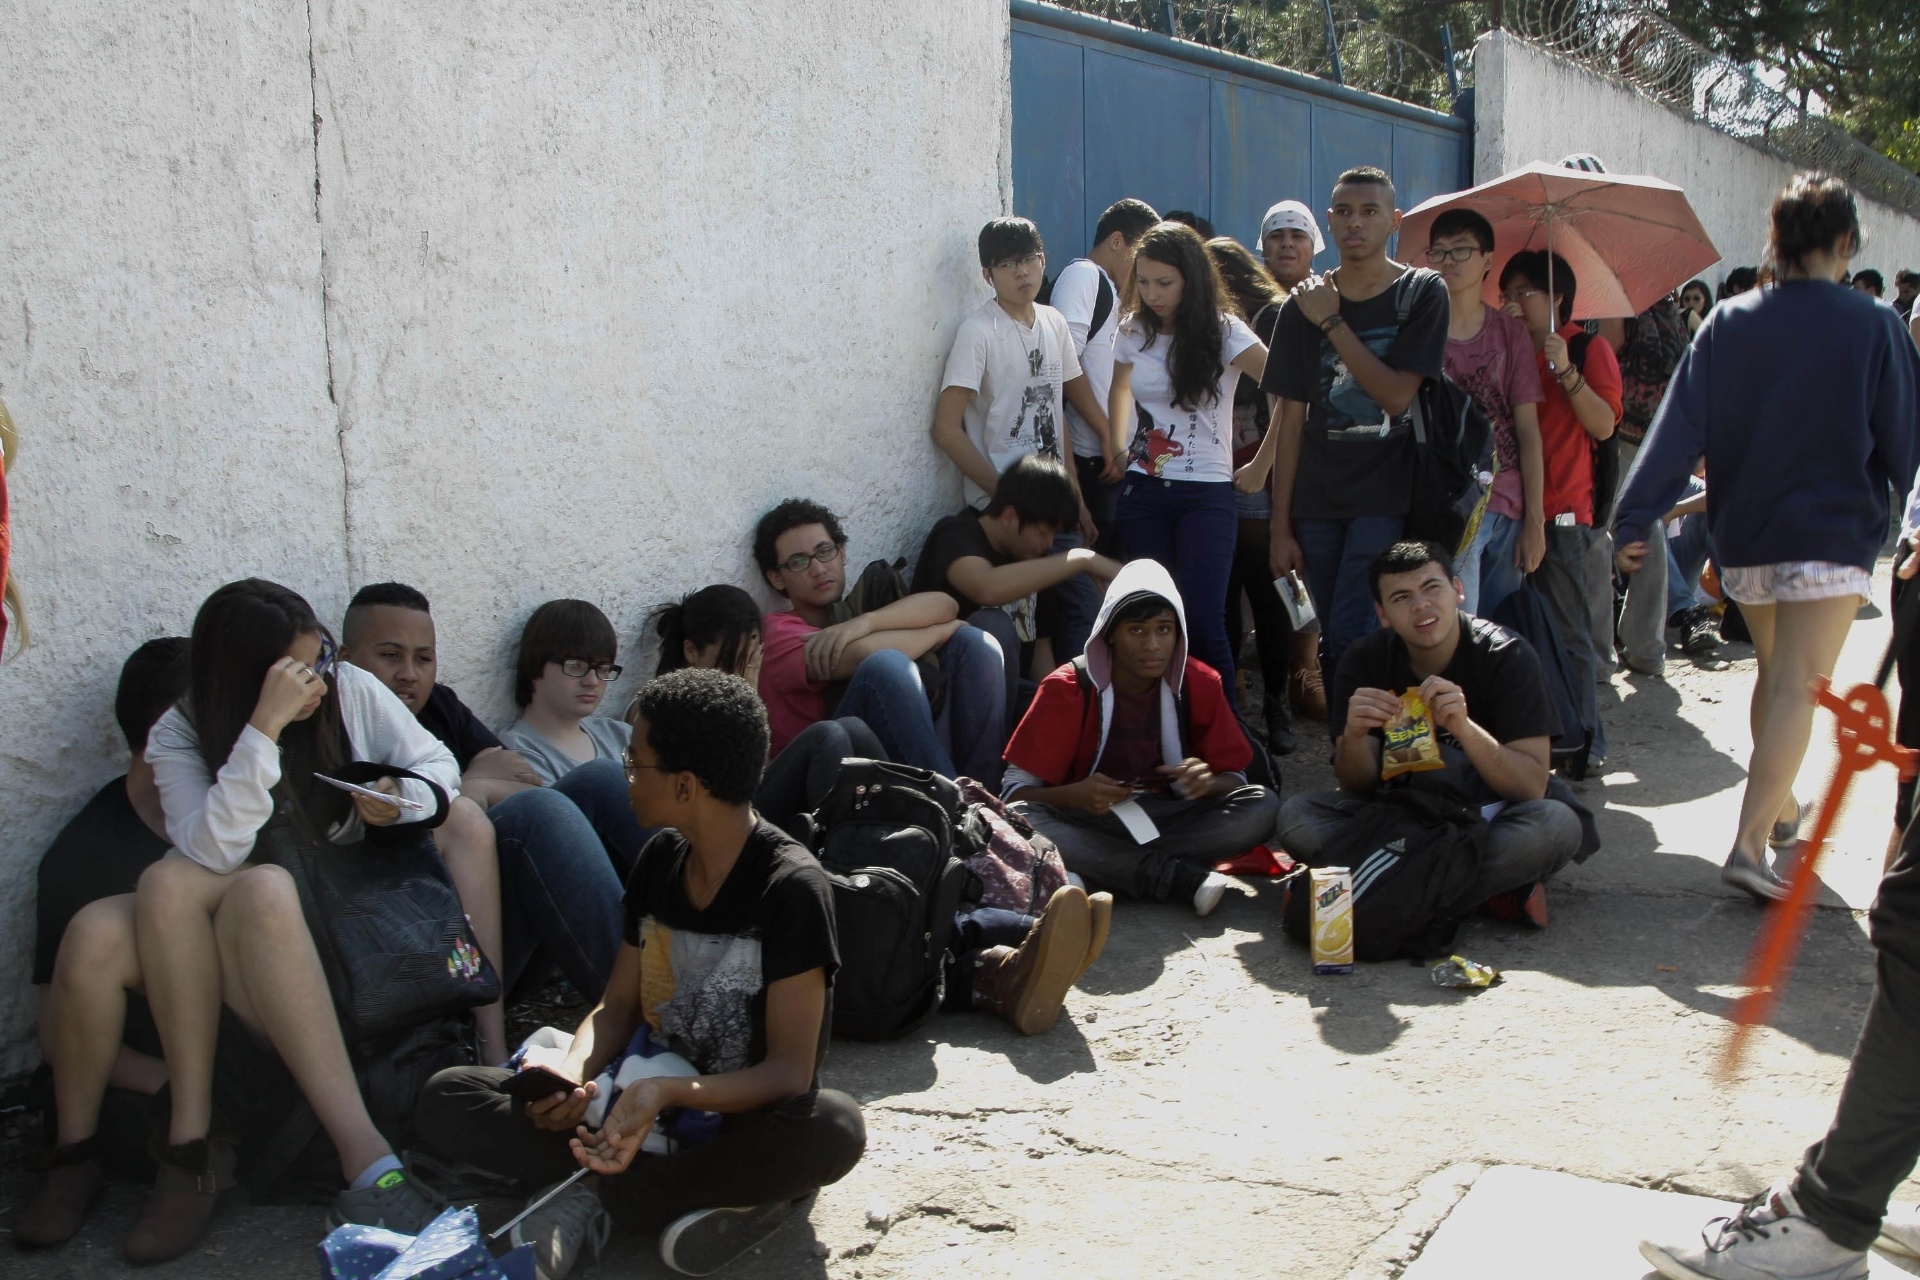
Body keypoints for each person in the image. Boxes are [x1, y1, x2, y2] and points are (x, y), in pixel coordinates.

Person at [24, 581, 450, 1263]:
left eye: (320, 660)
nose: (316, 682)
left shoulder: (348, 691)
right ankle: (76, 1153)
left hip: (323, 934)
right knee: (97, 931)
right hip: (217, 932)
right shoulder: (181, 730)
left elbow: (438, 766)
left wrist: (400, 794)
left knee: (207, 883)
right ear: (248, 677)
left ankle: (232, 1145)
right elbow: (215, 846)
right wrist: (263, 731)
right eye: (296, 671)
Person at [415, 670, 867, 1279]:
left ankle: (599, 1192)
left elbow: (788, 1073)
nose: (624, 775)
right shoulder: (660, 861)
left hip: (731, 1120)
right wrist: (572, 1074)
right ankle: (674, 1193)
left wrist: (667, 1094)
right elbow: (617, 1007)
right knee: (447, 1095)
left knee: (835, 1127)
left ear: (684, 785)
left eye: (634, 763)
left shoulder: (791, 888)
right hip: (629, 1103)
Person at [1614, 172, 1920, 904]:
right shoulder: (1874, 324)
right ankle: (1750, 846)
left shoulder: (1729, 321)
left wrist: (1634, 516)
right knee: (1797, 684)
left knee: (1776, 675)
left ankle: (1779, 810)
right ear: (1845, 242)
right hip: (1831, 538)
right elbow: (1907, 441)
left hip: (1744, 537)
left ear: (1776, 240)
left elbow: (1676, 428)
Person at [659, 583, 1112, 1038]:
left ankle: (996, 893)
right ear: (692, 652)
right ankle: (1023, 922)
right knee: (828, 738)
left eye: (751, 656)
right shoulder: (669, 713)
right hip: (736, 851)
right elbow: (728, 805)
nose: (744, 671)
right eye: (732, 661)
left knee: (852, 731)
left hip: (776, 834)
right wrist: (747, 701)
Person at [341, 584, 628, 1005]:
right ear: (345, 661)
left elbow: (521, 779)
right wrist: (470, 790)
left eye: (424, 658)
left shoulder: (438, 705)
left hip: (498, 929)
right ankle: (642, 1010)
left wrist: (469, 787)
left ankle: (706, 943)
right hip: (431, 952)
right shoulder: (333, 729)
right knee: (538, 812)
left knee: (601, 779)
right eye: (389, 655)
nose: (409, 673)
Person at [1277, 541, 1584, 921]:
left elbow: (1531, 786)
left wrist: (1464, 728)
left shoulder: (1507, 655)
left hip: (1487, 818)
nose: (1421, 605)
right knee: (1297, 817)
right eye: (1401, 597)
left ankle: (1375, 888)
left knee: (1555, 826)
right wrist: (1353, 737)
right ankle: (1481, 893)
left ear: (1457, 590)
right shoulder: (1364, 660)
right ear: (1382, 614)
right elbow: (1356, 785)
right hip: (1401, 817)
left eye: (1432, 588)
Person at [1259, 165, 1450, 690]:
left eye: (1369, 211)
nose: (1355, 223)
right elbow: (1290, 421)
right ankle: (1358, 733)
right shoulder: (1300, 306)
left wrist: (1332, 322)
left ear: (1395, 220)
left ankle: (1367, 732)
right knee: (1336, 635)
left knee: (1352, 630)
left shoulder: (1421, 292)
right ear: (1329, 220)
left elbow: (1396, 395)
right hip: (1317, 502)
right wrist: (1280, 527)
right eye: (1343, 212)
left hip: (1388, 498)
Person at [1004, 559, 1276, 917]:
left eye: (1164, 629)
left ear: (1178, 634)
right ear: (1110, 633)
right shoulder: (1068, 686)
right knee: (1021, 819)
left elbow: (1236, 778)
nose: (1152, 645)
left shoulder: (1199, 683)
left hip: (1169, 818)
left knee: (1262, 805)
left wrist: (1208, 783)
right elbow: (1014, 794)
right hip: (1085, 817)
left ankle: (1100, 868)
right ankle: (1173, 876)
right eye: (1136, 630)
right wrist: (1073, 795)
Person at [25, 640, 186, 1194]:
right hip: (153, 1076)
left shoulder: (231, 815)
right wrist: (174, 1082)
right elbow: (56, 1034)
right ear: (168, 732)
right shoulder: (85, 855)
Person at [931, 216, 1108, 664]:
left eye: (1029, 259)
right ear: (987, 274)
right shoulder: (978, 332)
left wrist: (1076, 498)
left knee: (1072, 619)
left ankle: (1076, 703)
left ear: (1043, 260)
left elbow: (1055, 412)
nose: (1022, 272)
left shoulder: (1053, 322)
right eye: (1007, 264)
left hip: (1053, 507)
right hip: (1005, 516)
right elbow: (946, 428)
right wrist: (1004, 494)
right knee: (1027, 631)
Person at [1105, 220, 1268, 703]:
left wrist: (1263, 464)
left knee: (1201, 620)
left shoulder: (1226, 330)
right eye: (1144, 281)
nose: (1152, 294)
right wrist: (1118, 448)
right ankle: (1154, 727)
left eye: (1165, 282)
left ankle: (1224, 735)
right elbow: (1119, 389)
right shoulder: (1132, 329)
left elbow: (1287, 389)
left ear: (1191, 279)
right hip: (1143, 491)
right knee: (1147, 619)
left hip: (1207, 494)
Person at [753, 498, 1007, 784]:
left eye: (825, 552)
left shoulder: (854, 612)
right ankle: (954, 804)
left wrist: (865, 622)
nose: (819, 569)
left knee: (974, 644)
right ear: (777, 578)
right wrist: (939, 632)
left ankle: (987, 790)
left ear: (842, 553)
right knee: (886, 666)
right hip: (828, 774)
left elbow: (946, 605)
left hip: (894, 752)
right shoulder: (777, 631)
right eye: (799, 562)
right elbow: (865, 654)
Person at [1499, 248, 1624, 771]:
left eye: (1524, 292)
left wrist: (1566, 371)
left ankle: (1588, 743)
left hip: (1565, 512)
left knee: (1571, 632)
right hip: (1508, 508)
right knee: (1518, 630)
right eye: (1507, 294)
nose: (1513, 302)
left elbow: (1604, 425)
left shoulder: (1587, 347)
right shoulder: (1504, 348)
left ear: (1557, 298)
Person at [911, 454, 1122, 718]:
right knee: (992, 624)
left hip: (1013, 694)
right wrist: (1081, 559)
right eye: (1044, 533)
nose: (1049, 544)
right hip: (949, 694)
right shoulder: (955, 534)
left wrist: (1052, 707)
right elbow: (985, 587)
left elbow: (1040, 648)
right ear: (1010, 516)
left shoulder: (1033, 561)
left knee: (1075, 708)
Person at [1423, 206, 1546, 617]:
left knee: (1502, 628)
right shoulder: (1420, 331)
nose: (1449, 261)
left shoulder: (1511, 334)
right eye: (1439, 251)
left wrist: (1535, 520)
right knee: (1463, 621)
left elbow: (1528, 429)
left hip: (1509, 501)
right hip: (1452, 502)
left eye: (1461, 250)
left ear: (1488, 260)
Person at [1206, 232, 1299, 752]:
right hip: (1211, 472)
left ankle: (1276, 705)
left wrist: (1263, 466)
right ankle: (1234, 708)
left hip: (1257, 474)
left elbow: (1290, 401)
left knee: (1266, 591)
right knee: (1223, 594)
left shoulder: (1268, 318)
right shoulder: (1204, 324)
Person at [1255, 199, 1333, 728]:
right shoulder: (1252, 306)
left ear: (1313, 246)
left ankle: (1306, 668)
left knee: (1306, 568)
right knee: (1272, 569)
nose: (1287, 244)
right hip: (1258, 456)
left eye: (1297, 235)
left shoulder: (1331, 301)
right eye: (1277, 235)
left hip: (1319, 456)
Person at [1050, 197, 1161, 556]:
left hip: (1118, 462)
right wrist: (1107, 435)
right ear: (1116, 241)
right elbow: (1061, 366)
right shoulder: (1084, 276)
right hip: (1092, 462)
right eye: (1140, 257)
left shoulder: (1115, 293)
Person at [498, 599, 632, 785]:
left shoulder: (623, 735)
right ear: (535, 665)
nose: (592, 681)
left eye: (603, 669)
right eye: (576, 666)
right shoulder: (518, 753)